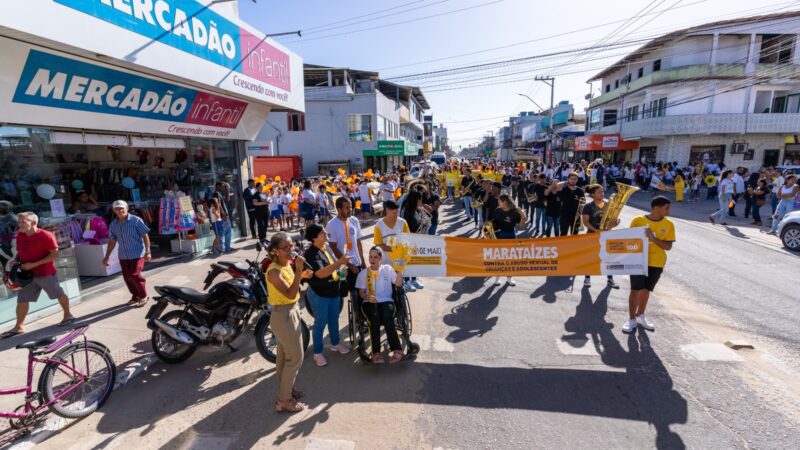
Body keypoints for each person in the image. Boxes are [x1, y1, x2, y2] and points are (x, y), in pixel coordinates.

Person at [0, 212, 75, 338]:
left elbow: (55, 255)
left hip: (45, 273)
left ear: (34, 222)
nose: (19, 225)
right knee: (22, 300)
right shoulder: (20, 236)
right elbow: (20, 252)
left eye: (22, 222)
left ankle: (68, 315)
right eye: (18, 222)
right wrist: (16, 259)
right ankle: (19, 326)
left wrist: (33, 265)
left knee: (58, 293)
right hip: (27, 275)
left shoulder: (46, 235)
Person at [265, 233, 313, 413]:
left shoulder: (286, 265)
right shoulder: (274, 271)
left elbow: (294, 287)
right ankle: (284, 400)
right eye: (285, 248)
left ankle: (286, 391)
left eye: (291, 246)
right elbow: (290, 294)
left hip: (290, 312)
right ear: (275, 251)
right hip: (282, 315)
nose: (290, 250)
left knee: (284, 358)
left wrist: (301, 275)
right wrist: (299, 271)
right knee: (296, 357)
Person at [624, 196, 676, 333]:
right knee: (635, 290)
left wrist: (653, 238)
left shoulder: (669, 224)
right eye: (666, 208)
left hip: (657, 262)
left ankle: (640, 316)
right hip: (638, 261)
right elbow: (628, 241)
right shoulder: (638, 220)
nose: (669, 211)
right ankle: (631, 319)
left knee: (646, 290)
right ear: (656, 208)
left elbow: (668, 246)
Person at [303, 224, 351, 367]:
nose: (326, 233)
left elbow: (333, 268)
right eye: (322, 232)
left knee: (334, 320)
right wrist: (339, 263)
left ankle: (335, 344)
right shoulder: (311, 253)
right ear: (314, 237)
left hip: (333, 291)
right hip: (319, 294)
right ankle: (317, 353)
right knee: (320, 323)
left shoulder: (326, 248)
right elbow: (320, 273)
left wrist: (342, 270)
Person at [355, 247, 405, 364]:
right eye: (370, 257)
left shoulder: (387, 269)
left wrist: (400, 271)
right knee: (375, 318)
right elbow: (361, 293)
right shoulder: (363, 274)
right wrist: (368, 297)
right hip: (369, 302)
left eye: (375, 257)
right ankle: (376, 353)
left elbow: (398, 283)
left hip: (387, 301)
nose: (372, 260)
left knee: (387, 317)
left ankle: (397, 351)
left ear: (381, 258)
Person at [103, 200, 152, 307]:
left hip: (137, 253)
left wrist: (148, 251)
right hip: (123, 255)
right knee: (127, 277)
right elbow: (112, 241)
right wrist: (106, 256)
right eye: (117, 209)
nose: (120, 211)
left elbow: (145, 235)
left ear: (127, 209)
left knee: (135, 274)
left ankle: (143, 296)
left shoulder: (136, 220)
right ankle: (135, 296)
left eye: (122, 208)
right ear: (114, 211)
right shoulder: (113, 225)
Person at [326, 197, 367, 303]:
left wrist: (362, 262)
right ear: (339, 210)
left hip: (356, 264)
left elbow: (358, 242)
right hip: (342, 267)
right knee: (342, 294)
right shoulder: (331, 224)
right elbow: (333, 248)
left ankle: (358, 316)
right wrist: (348, 265)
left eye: (351, 207)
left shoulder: (354, 220)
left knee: (359, 294)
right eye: (347, 208)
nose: (350, 210)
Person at [581, 185, 621, 289]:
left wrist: (615, 223)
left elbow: (613, 220)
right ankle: (587, 278)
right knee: (590, 258)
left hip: (606, 235)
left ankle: (610, 279)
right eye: (599, 192)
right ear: (593, 194)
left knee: (608, 258)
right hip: (592, 235)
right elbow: (585, 222)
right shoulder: (588, 206)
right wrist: (596, 230)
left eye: (602, 191)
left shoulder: (608, 205)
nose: (602, 193)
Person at [374, 200, 414, 292]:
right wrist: (395, 249)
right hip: (385, 264)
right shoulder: (379, 225)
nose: (396, 215)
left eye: (397, 212)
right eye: (394, 213)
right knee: (387, 290)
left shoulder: (402, 223)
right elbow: (378, 245)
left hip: (399, 264)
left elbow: (408, 240)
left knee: (399, 290)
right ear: (387, 210)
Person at [491, 194, 526, 286]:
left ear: (504, 202)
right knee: (498, 258)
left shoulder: (514, 212)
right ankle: (497, 278)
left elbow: (522, 227)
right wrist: (488, 233)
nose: (498, 202)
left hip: (510, 236)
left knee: (509, 259)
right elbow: (492, 225)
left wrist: (522, 215)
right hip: (498, 236)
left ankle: (509, 278)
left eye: (499, 201)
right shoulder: (497, 210)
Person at [211, 182, 233, 252]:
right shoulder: (216, 194)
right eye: (222, 187)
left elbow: (227, 200)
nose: (223, 188)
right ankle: (222, 248)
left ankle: (227, 248)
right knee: (222, 233)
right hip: (222, 216)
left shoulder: (219, 194)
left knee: (228, 232)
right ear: (217, 186)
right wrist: (223, 215)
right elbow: (219, 205)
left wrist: (228, 189)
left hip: (225, 215)